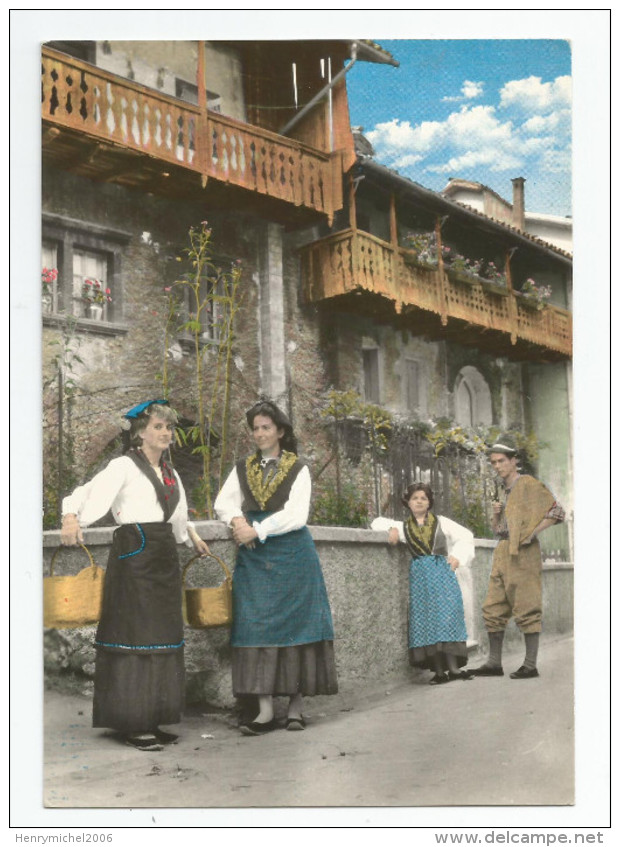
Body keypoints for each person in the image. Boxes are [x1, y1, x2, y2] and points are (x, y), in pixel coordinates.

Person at [60, 399, 210, 751]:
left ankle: (153, 719)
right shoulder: (123, 465)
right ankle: (133, 722)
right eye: (158, 427)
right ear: (140, 432)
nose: (166, 433)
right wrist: (70, 516)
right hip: (134, 552)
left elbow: (176, 516)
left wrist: (193, 535)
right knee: (135, 635)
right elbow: (86, 493)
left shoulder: (170, 473)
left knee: (162, 636)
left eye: (169, 428)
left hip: (163, 555)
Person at [214, 399, 338, 735]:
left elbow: (298, 515)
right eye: (255, 428)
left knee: (298, 627)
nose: (259, 434)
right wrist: (238, 521)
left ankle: (296, 707)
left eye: (266, 427)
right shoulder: (243, 467)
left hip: (292, 555)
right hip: (254, 558)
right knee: (256, 626)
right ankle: (265, 711)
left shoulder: (299, 469)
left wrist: (259, 529)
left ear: (280, 431)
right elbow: (223, 502)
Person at [471, 435, 565, 680]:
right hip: (502, 550)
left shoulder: (528, 484)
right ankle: (493, 663)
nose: (497, 466)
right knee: (493, 606)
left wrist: (532, 533)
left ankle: (530, 664)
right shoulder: (502, 490)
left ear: (514, 461)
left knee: (526, 605)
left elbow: (557, 511)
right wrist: (495, 515)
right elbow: (498, 528)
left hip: (523, 552)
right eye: (493, 462)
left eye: (501, 461)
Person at [371, 482, 476, 685]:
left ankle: (454, 669)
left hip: (443, 574)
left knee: (448, 617)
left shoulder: (442, 522)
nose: (419, 501)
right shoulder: (404, 527)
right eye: (415, 498)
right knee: (428, 622)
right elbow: (377, 522)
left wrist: (457, 557)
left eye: (423, 498)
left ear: (429, 503)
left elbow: (466, 536)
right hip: (421, 580)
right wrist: (391, 528)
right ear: (408, 502)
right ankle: (438, 672)